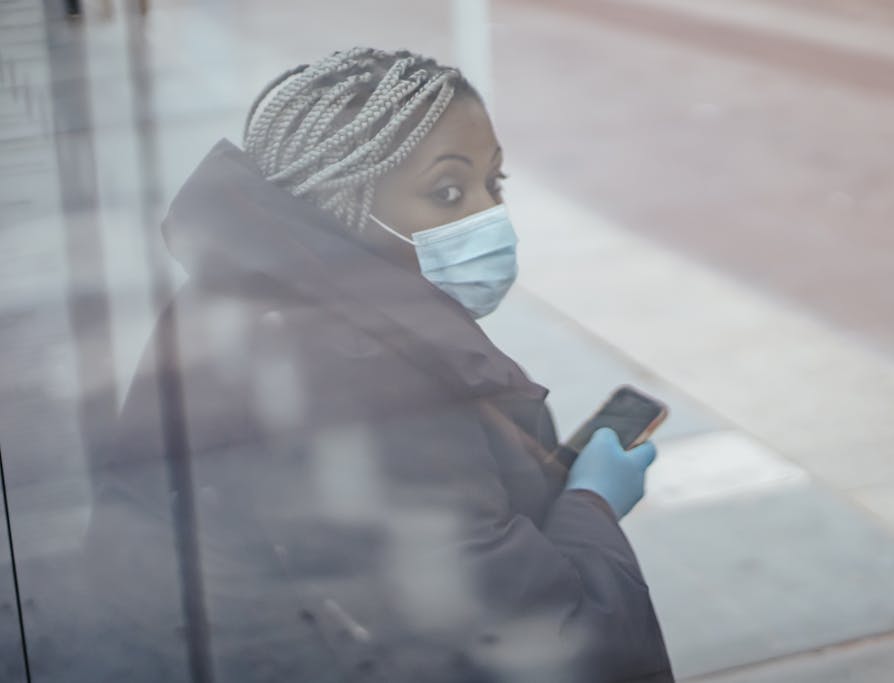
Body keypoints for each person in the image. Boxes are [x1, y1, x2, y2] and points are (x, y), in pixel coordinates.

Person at [83, 48, 673, 682]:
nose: (489, 215)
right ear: (341, 204)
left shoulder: (242, 287)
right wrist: (590, 503)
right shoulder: (364, 378)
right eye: (447, 191)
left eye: (494, 184)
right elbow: (545, 641)